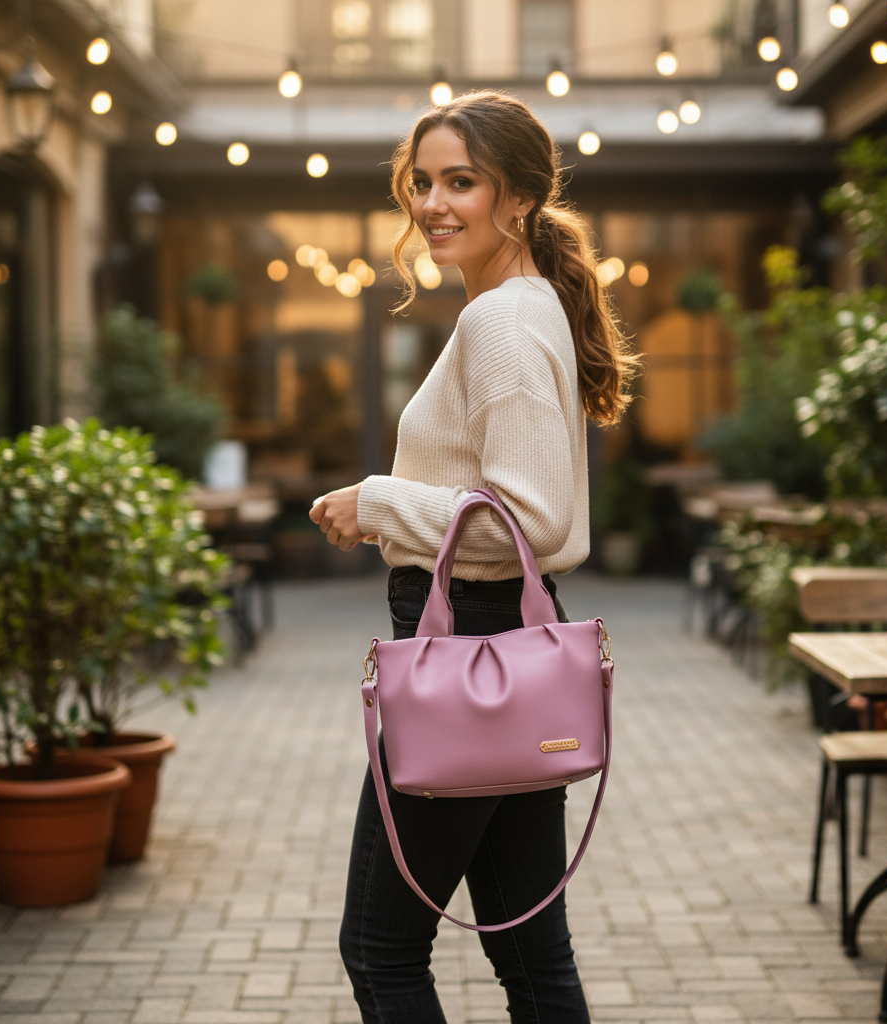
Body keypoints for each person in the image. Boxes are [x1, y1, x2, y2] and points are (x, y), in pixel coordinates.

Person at [309, 90, 637, 1024]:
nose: (434, 204)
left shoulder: (499, 323)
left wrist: (377, 504)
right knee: (532, 952)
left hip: (471, 649)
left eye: (463, 182)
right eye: (423, 182)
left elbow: (527, 519)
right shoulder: (517, 307)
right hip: (509, 652)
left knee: (380, 948)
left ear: (520, 198)